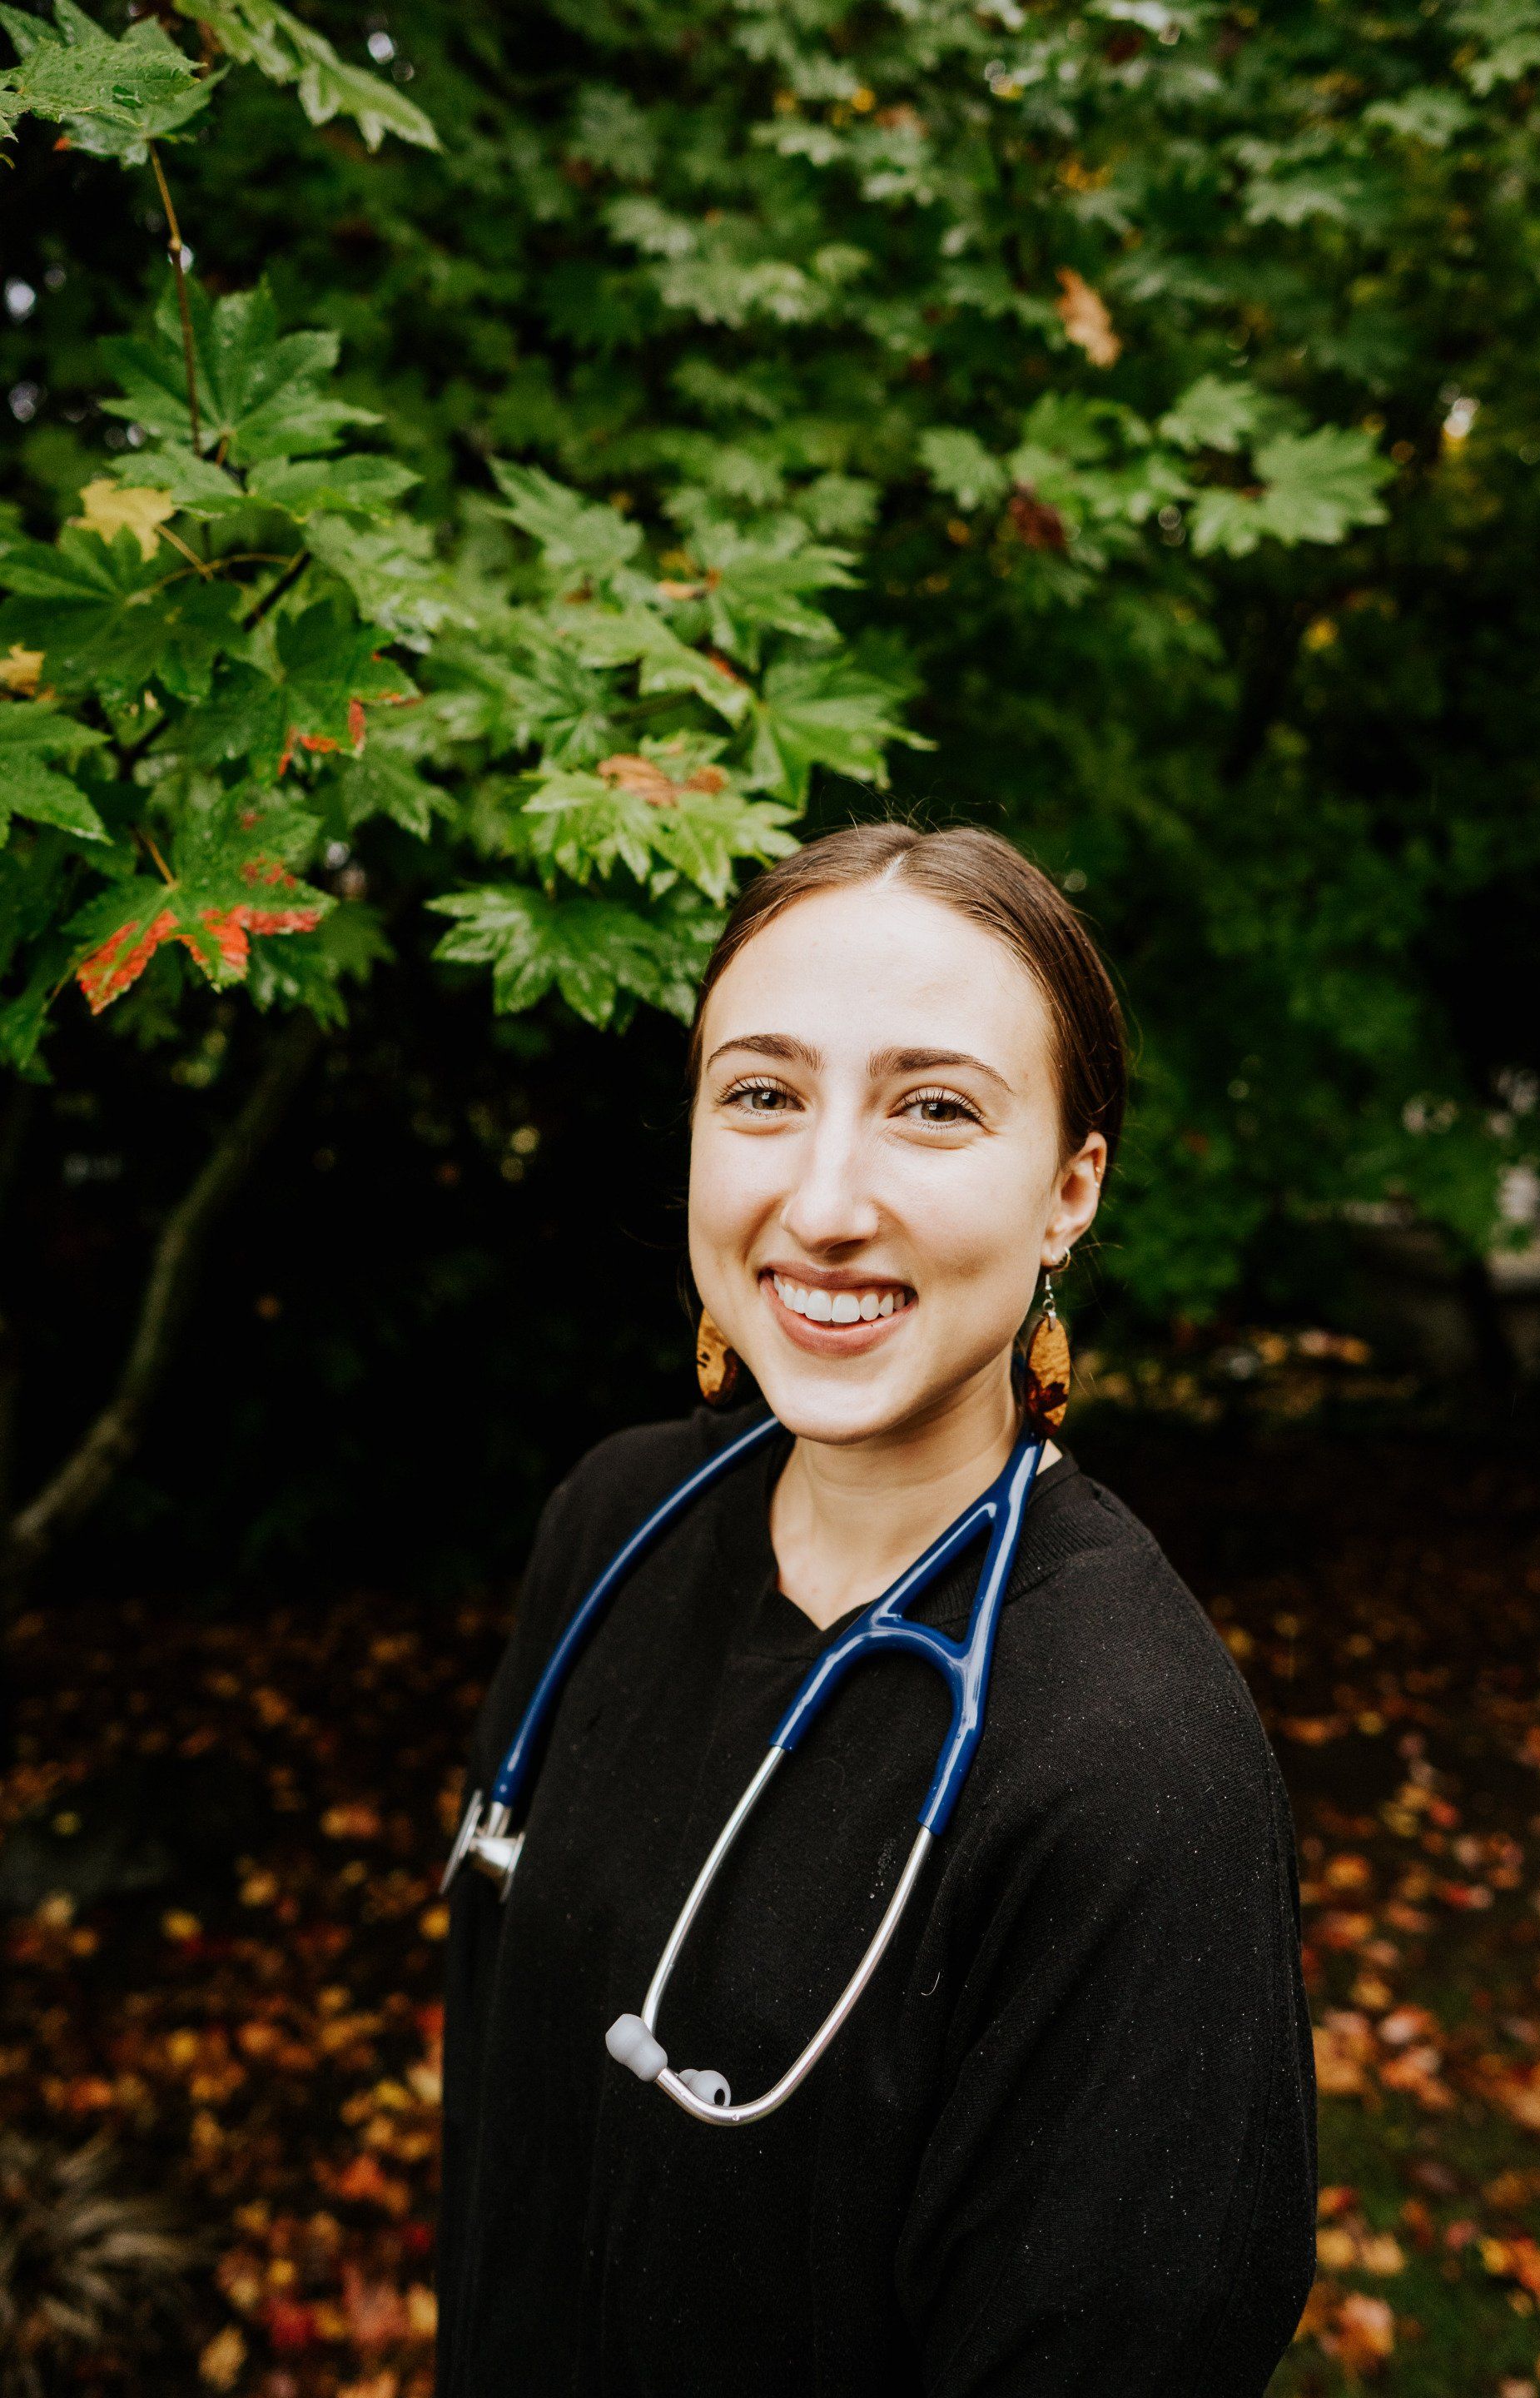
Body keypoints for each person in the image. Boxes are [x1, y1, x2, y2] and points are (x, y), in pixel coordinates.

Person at [438, 822, 1316, 2396]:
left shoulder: (1133, 1770)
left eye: (933, 1108)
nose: (825, 1201)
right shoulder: (612, 1523)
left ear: (1070, 1192)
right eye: (764, 1095)